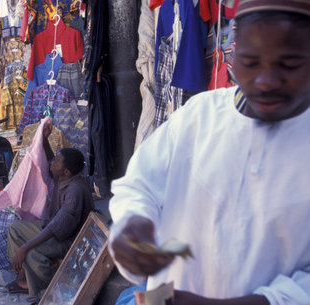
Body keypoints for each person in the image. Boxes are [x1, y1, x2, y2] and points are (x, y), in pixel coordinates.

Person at [109, 1, 310, 305]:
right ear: (233, 53)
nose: (266, 82)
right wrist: (133, 224)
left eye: (290, 64)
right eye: (251, 62)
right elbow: (139, 186)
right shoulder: (199, 116)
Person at [6, 121, 94, 300]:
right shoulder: (65, 175)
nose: (52, 163)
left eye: (57, 162)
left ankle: (51, 283)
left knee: (32, 254)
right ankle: (25, 277)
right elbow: (49, 158)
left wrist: (25, 247)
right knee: (14, 229)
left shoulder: (75, 191)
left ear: (66, 171)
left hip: (70, 240)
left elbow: (56, 227)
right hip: (54, 229)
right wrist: (44, 139)